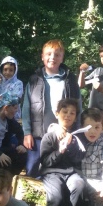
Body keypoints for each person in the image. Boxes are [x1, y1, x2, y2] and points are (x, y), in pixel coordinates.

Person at [22, 39, 81, 178]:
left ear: (62, 58)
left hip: (63, 135)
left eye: (57, 55)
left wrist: (77, 131)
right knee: (32, 168)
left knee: (60, 169)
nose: (52, 57)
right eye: (48, 54)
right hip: (38, 135)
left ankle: (57, 192)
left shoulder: (70, 80)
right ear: (42, 56)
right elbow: (26, 108)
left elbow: (79, 107)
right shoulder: (34, 80)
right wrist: (27, 132)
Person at [38, 98, 86, 206]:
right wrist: (60, 151)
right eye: (65, 112)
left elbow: (78, 159)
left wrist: (70, 146)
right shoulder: (49, 137)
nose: (68, 115)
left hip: (71, 173)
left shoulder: (76, 138)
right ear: (57, 114)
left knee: (79, 185)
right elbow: (45, 162)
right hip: (51, 173)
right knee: (56, 198)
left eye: (72, 113)